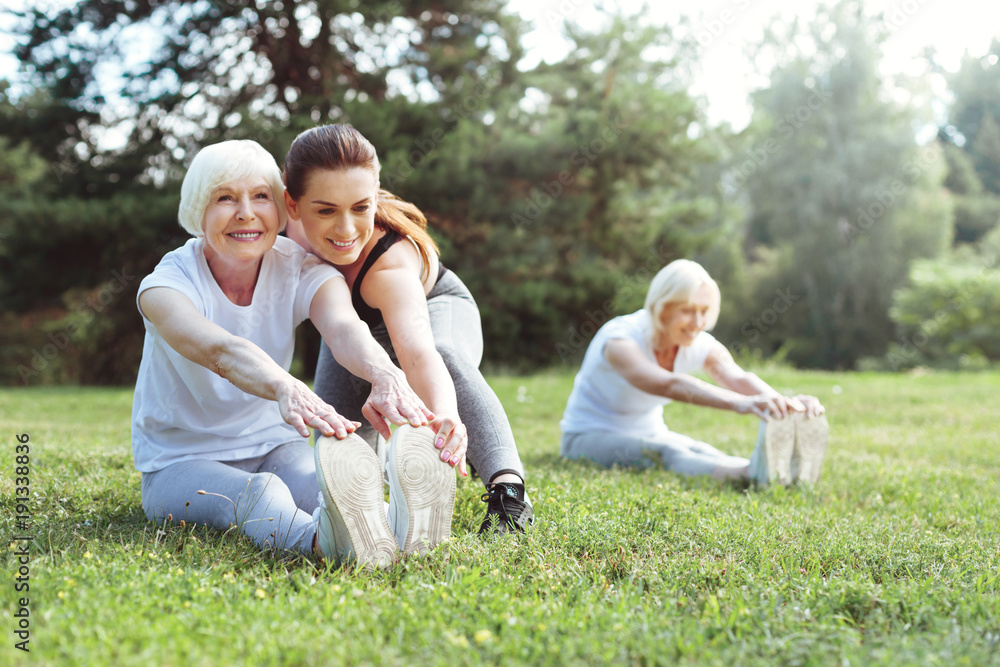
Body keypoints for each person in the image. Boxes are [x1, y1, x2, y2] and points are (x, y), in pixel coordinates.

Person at [133, 139, 440, 570]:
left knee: (325, 484)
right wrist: (284, 386)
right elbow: (220, 350)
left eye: (260, 196)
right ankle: (322, 542)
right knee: (259, 494)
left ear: (281, 207)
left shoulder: (300, 268)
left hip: (272, 446)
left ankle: (399, 526)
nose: (245, 213)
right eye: (225, 198)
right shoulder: (166, 286)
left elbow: (344, 327)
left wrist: (384, 374)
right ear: (197, 208)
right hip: (179, 463)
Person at [282, 124, 533, 536]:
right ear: (292, 204)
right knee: (336, 435)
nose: (346, 230)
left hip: (438, 308)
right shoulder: (278, 226)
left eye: (361, 207)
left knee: (445, 353)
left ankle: (510, 494)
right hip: (353, 327)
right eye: (326, 210)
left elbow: (417, 353)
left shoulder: (388, 267)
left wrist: (446, 416)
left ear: (376, 191)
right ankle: (382, 499)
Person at [560, 259, 828, 485]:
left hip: (651, 431)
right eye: (687, 311)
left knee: (700, 450)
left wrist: (787, 404)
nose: (698, 322)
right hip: (585, 437)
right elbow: (668, 385)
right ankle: (751, 475)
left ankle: (773, 473)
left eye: (704, 311)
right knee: (666, 452)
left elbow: (735, 376)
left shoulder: (698, 342)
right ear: (661, 308)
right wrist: (743, 405)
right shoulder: (619, 340)